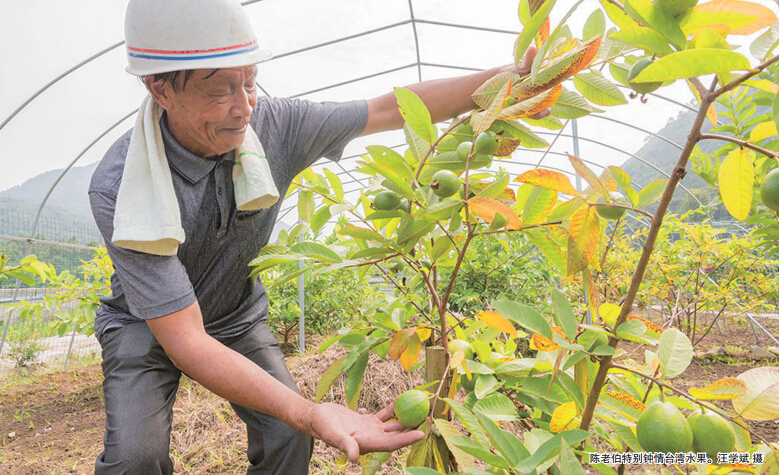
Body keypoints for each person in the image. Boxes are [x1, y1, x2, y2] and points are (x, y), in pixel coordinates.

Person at [89, 0, 547, 473]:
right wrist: (310, 411)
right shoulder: (119, 185)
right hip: (146, 325)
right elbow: (185, 339)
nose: (244, 106)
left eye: (248, 81)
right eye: (222, 90)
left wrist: (512, 78)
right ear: (159, 88)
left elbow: (390, 109)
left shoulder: (275, 126)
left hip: (234, 316)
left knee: (289, 434)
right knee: (136, 462)